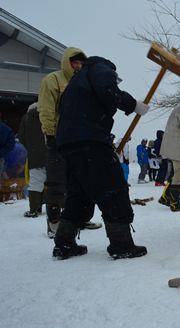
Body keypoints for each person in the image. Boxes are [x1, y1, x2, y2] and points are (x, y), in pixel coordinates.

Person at [52, 55, 149, 260]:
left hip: (69, 143)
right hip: (90, 140)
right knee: (113, 188)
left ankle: (64, 241)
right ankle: (121, 244)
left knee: (79, 193)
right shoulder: (99, 69)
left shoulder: (75, 82)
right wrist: (133, 105)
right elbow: (108, 91)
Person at [38, 46, 101, 237]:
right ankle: (54, 221)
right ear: (67, 62)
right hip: (59, 138)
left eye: (81, 62)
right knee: (57, 181)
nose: (78, 66)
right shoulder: (53, 80)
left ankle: (79, 217)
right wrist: (50, 134)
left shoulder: (85, 82)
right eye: (74, 62)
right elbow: (46, 109)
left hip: (79, 139)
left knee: (80, 181)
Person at [17, 102, 47, 217]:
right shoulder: (50, 114)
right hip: (52, 153)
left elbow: (21, 137)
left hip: (35, 155)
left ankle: (34, 209)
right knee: (55, 182)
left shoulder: (27, 118)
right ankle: (59, 209)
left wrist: (31, 146)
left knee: (35, 182)